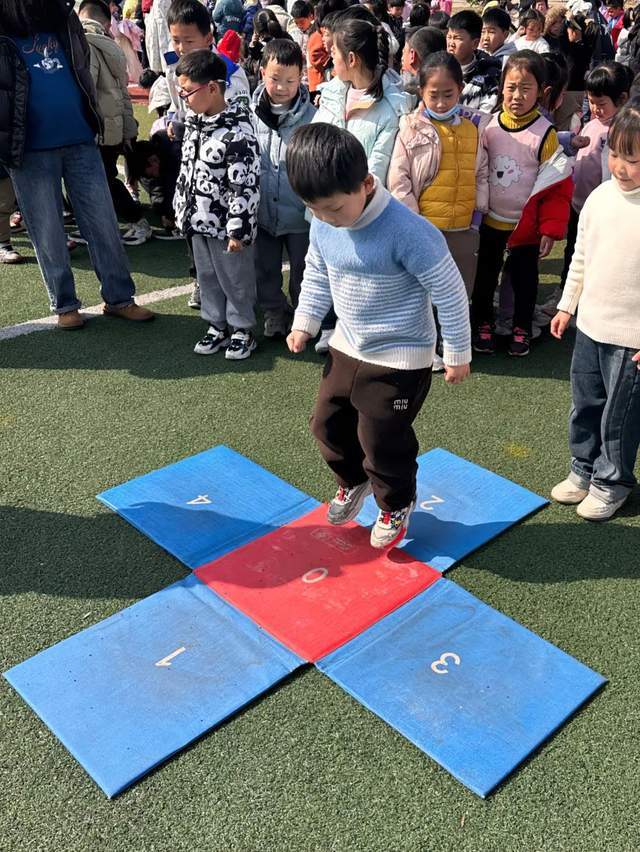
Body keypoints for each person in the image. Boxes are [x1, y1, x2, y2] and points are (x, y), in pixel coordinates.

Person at [286, 123, 471, 547]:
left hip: (400, 356)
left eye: (334, 208)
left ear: (367, 184)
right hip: (347, 344)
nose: (327, 219)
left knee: (381, 437)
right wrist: (305, 321)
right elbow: (317, 271)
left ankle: (395, 503)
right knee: (326, 423)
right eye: (315, 210)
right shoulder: (322, 221)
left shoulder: (409, 232)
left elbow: (450, 292)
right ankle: (352, 481)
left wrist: (457, 350)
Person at [0, 0, 153, 328]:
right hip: (30, 148)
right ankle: (65, 305)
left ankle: (119, 298)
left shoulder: (61, 16)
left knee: (103, 223)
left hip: (80, 138)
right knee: (47, 231)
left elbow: (82, 66)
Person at [550, 104, 640, 521]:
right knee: (585, 404)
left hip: (632, 338)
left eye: (633, 159)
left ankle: (613, 481)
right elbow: (581, 256)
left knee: (618, 416)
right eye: (616, 155)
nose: (621, 167)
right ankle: (583, 469)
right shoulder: (601, 199)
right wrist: (567, 305)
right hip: (590, 326)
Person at [312, 17, 413, 352]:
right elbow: (313, 141)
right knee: (323, 266)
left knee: (360, 272)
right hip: (324, 204)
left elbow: (378, 167)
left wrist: (346, 198)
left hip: (359, 207)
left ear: (352, 59)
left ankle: (360, 328)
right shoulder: (329, 95)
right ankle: (327, 322)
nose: (331, 61)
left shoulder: (390, 108)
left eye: (335, 55)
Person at [471, 50, 573, 357]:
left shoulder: (545, 134)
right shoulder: (487, 127)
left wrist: (550, 229)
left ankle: (521, 326)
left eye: (525, 88)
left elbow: (556, 187)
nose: (517, 95)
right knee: (484, 278)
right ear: (501, 86)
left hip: (525, 227)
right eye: (511, 87)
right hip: (490, 221)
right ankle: (482, 323)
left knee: (526, 283)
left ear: (542, 92)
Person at [173, 49, 261, 360]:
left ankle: (242, 329)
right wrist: (181, 208)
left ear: (212, 88)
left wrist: (238, 230)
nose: (183, 97)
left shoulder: (238, 134)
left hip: (226, 227)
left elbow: (245, 186)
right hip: (198, 220)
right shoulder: (194, 125)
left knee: (235, 278)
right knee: (207, 276)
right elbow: (186, 171)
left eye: (188, 91)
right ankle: (216, 324)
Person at [389, 51, 488, 305]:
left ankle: (451, 340)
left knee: (458, 291)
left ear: (460, 89)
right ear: (421, 91)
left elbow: (481, 171)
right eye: (434, 96)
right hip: (426, 228)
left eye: (448, 95)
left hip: (464, 228)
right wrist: (414, 221)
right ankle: (423, 340)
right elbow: (399, 180)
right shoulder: (410, 128)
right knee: (421, 291)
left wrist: (478, 213)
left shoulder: (472, 129)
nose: (441, 103)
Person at [251, 39, 316, 337]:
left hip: (300, 214)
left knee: (303, 270)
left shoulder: (312, 117)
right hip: (262, 211)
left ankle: (303, 315)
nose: (281, 87)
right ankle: (274, 312)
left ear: (301, 77)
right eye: (275, 78)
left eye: (290, 80)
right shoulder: (250, 114)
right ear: (262, 71)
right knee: (264, 268)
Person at [77, 0, 152, 247]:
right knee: (104, 178)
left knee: (100, 182)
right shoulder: (113, 46)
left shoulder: (84, 43)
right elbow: (122, 93)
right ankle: (101, 225)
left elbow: (87, 90)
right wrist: (128, 128)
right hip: (114, 126)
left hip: (95, 127)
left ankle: (136, 221)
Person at [558, 61, 632, 302]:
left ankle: (591, 298)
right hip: (578, 204)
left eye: (601, 104)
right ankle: (567, 295)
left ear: (622, 99)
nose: (596, 108)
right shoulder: (591, 123)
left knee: (599, 255)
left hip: (603, 209)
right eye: (592, 102)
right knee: (574, 252)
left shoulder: (621, 131)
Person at [446, 10, 502, 110]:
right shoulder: (438, 69)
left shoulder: (490, 76)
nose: (451, 43)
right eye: (449, 37)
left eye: (457, 38)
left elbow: (486, 115)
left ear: (475, 43)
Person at [400, 24, 446, 95]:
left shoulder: (407, 96)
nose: (402, 58)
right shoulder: (452, 87)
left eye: (404, 52)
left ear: (412, 55)